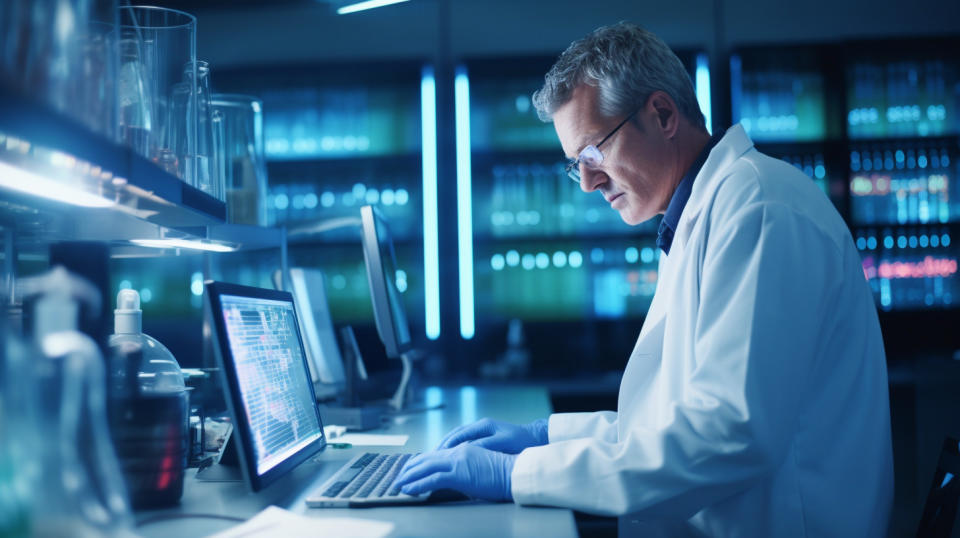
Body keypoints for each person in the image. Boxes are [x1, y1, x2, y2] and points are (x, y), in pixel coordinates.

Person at [392, 22, 893, 536]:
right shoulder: (708, 210)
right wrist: (545, 438)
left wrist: (515, 473)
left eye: (593, 152)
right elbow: (666, 423)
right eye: (575, 165)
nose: (587, 182)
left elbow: (727, 435)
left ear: (662, 114)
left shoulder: (759, 210)